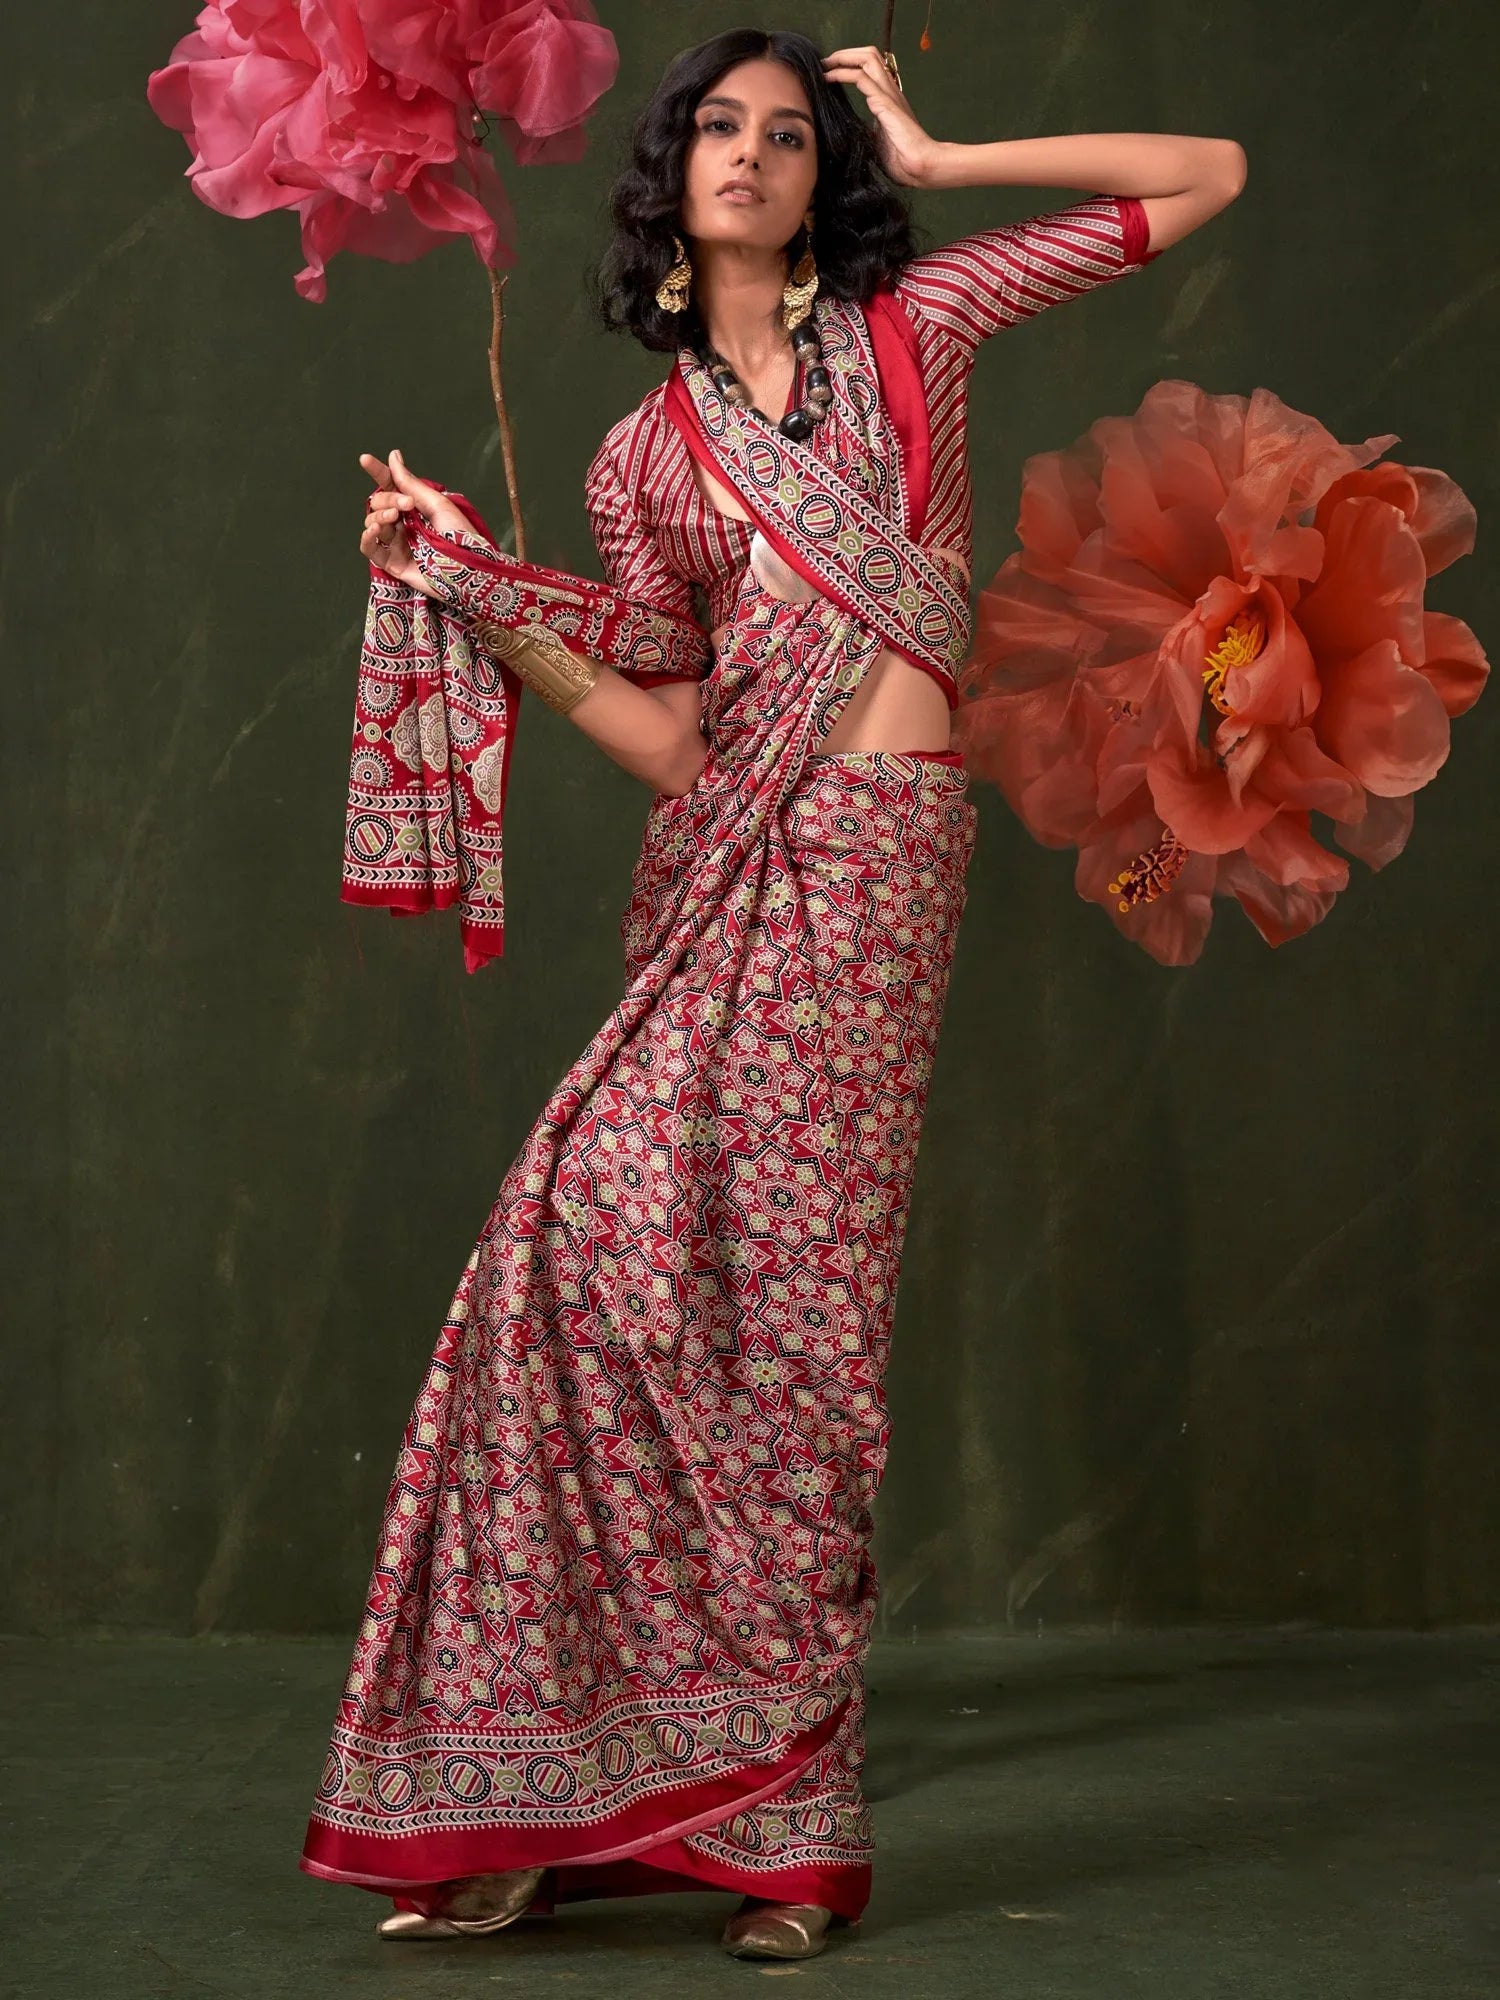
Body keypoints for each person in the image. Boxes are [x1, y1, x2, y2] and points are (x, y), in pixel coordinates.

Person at [300, 26, 1245, 1964]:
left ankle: (789, 1825)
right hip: (720, 858)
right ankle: (557, 1786)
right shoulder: (638, 459)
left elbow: (1207, 169)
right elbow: (666, 739)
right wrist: (481, 584)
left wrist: (943, 143)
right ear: (674, 177)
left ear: (826, 178)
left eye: (789, 134)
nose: (749, 153)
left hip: (875, 858)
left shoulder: (921, 330)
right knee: (576, 1260)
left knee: (793, 1319)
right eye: (718, 127)